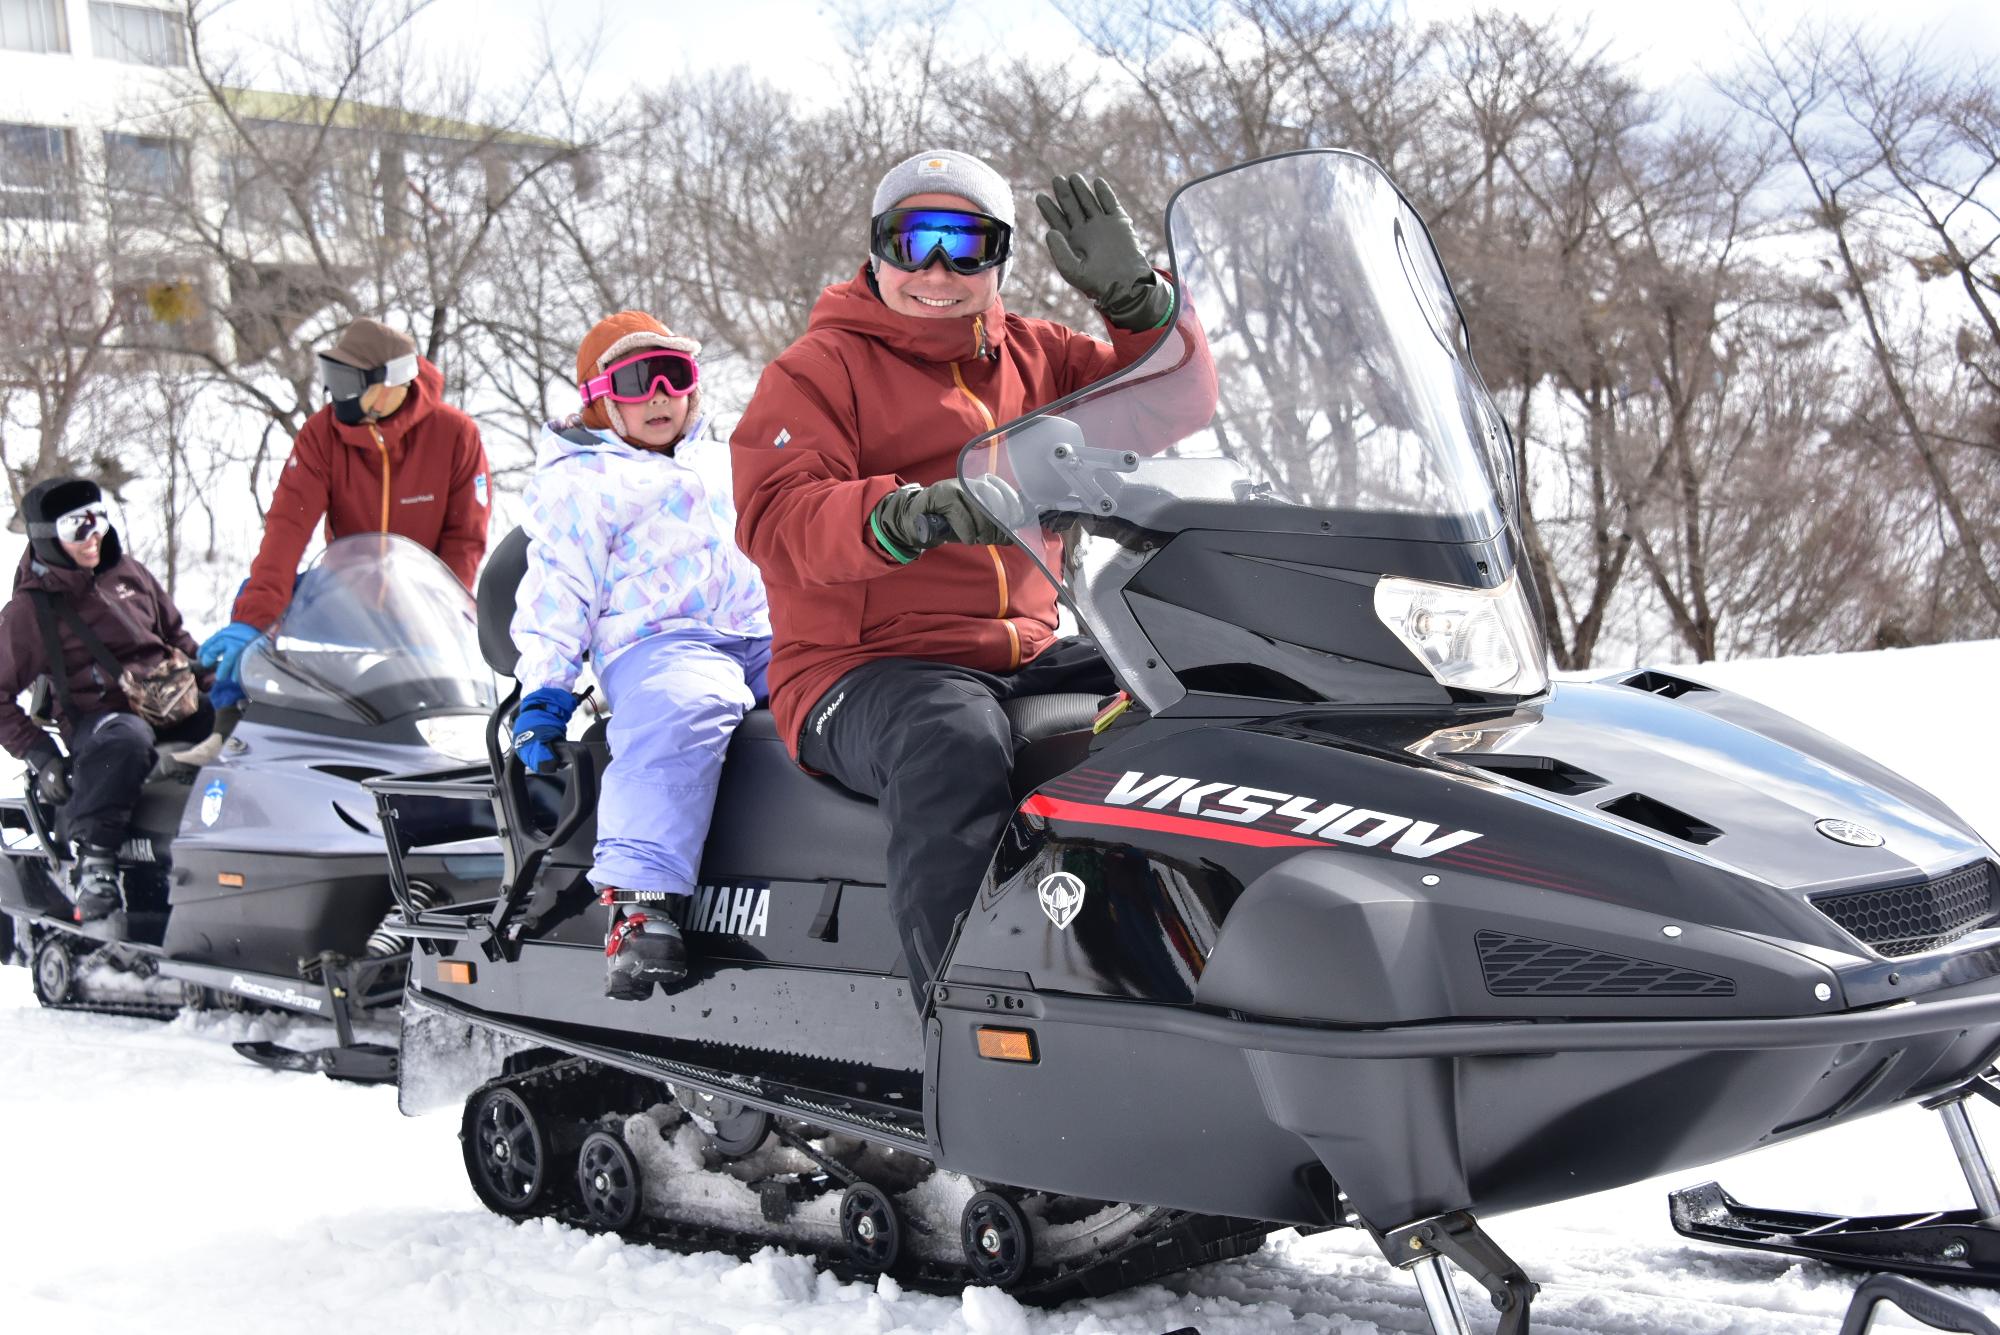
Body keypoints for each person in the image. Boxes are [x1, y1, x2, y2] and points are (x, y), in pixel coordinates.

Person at [731, 149, 1213, 1004]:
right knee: (952, 743)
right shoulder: (817, 370)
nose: (939, 271)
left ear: (1003, 258)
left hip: (1021, 647)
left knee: (1196, 685)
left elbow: (1171, 404)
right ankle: (961, 1030)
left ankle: (1171, 961)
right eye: (914, 240)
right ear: (877, 249)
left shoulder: (1042, 357)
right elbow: (778, 518)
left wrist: (1139, 303)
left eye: (969, 243)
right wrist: (900, 516)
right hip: (859, 665)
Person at [508, 311, 771, 1001]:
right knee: (688, 709)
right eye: (634, 380)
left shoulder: (726, 459)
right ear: (600, 397)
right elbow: (557, 590)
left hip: (764, 632)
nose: (658, 394)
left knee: (843, 685)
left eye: (674, 376)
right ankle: (640, 899)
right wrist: (546, 688)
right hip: (660, 643)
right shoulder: (584, 482)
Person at [199, 317, 491, 707]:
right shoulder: (322, 435)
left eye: (349, 382)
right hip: (345, 600)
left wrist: (438, 618)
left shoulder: (455, 435)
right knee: (254, 609)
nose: (337, 395)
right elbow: (287, 527)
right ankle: (226, 728)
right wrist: (254, 618)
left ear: (394, 382)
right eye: (333, 378)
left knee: (439, 691)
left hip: (419, 610)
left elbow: (465, 539)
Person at [0, 478, 216, 920]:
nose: (95, 533)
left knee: (245, 720)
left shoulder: (129, 573)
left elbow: (176, 636)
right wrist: (41, 756)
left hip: (168, 703)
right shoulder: (30, 610)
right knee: (127, 736)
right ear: (47, 537)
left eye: (99, 518)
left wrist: (222, 685)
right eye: (77, 525)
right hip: (102, 723)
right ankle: (96, 863)